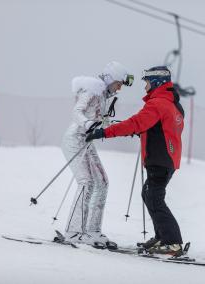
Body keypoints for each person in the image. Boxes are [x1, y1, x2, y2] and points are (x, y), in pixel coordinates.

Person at [86, 66, 185, 256]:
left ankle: (173, 243)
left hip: (160, 159)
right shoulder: (172, 103)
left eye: (147, 82)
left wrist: (104, 132)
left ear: (156, 82)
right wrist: (146, 131)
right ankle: (162, 237)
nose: (145, 86)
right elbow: (160, 126)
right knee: (149, 195)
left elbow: (135, 123)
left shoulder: (158, 103)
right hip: (165, 159)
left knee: (154, 199)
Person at [59, 61, 133, 248]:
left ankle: (92, 231)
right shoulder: (92, 90)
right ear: (110, 79)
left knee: (102, 181)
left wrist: (127, 128)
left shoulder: (104, 96)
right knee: (86, 182)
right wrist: (87, 124)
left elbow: (103, 122)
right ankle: (74, 231)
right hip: (74, 139)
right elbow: (77, 112)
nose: (119, 88)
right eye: (119, 84)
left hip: (87, 141)